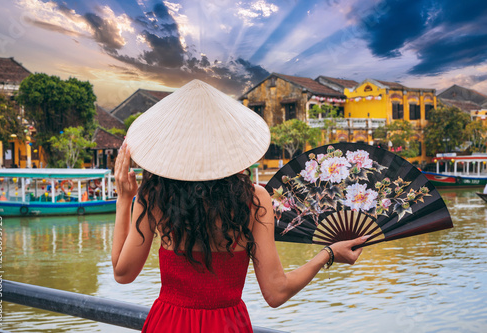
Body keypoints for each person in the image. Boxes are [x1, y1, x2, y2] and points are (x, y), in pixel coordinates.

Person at [112, 80, 367, 332]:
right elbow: (276, 292)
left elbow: (122, 274)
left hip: (169, 324)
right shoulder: (254, 200)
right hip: (227, 326)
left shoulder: (155, 196)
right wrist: (329, 253)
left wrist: (124, 198)